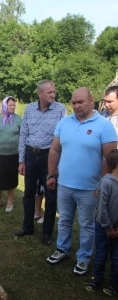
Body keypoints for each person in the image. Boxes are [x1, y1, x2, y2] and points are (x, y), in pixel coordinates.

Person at [46, 87, 117, 276]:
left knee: (86, 224)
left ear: (92, 101)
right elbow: (54, 150)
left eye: (81, 102)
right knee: (64, 220)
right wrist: (51, 175)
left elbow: (109, 158)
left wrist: (102, 185)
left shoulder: (104, 125)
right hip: (65, 184)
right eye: (74, 102)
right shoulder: (64, 123)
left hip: (90, 187)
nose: (76, 106)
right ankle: (62, 249)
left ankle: (84, 258)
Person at [13, 80, 66, 246]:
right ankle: (27, 226)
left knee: (50, 196)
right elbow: (23, 135)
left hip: (49, 157)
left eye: (53, 92)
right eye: (49, 92)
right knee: (28, 193)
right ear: (40, 94)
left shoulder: (60, 109)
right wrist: (21, 160)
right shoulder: (29, 109)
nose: (53, 94)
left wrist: (57, 165)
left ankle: (47, 233)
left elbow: (62, 138)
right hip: (30, 154)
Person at [85, 149, 118, 296]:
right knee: (101, 255)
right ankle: (96, 279)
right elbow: (102, 208)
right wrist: (108, 228)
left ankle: (114, 284)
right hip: (103, 227)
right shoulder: (106, 182)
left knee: (116, 258)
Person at [0, 96, 22, 212]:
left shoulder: (18, 119)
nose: (12, 107)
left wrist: (22, 156)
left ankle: (10, 202)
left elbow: (23, 137)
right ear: (4, 106)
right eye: (10, 105)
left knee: (12, 179)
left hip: (14, 155)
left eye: (13, 105)